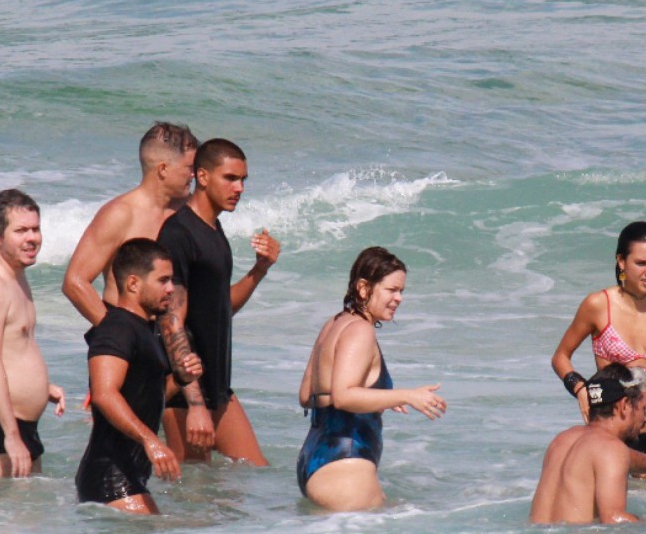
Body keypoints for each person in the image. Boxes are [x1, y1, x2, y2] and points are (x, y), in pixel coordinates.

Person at [157, 138, 280, 464]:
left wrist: (260, 269)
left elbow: (221, 307)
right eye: (230, 178)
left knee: (254, 475)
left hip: (219, 387)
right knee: (191, 504)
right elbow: (170, 321)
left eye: (243, 180)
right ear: (203, 175)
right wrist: (195, 404)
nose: (239, 188)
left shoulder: (213, 230)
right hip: (187, 392)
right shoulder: (178, 233)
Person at [296, 247, 446, 511]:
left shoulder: (333, 324)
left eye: (402, 291)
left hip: (314, 460)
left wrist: (379, 399)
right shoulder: (360, 331)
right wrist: (406, 395)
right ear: (364, 288)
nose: (399, 298)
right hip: (346, 468)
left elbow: (307, 395)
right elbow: (344, 396)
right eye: (391, 290)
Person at [550, 221, 646, 485]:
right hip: (611, 440)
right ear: (621, 261)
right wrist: (580, 389)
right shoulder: (598, 305)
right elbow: (560, 357)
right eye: (642, 263)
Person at [75, 239, 203, 514]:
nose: (171, 289)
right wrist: (151, 441)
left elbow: (147, 395)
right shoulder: (116, 329)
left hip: (128, 478)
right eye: (163, 280)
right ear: (133, 283)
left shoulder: (144, 329)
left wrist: (179, 379)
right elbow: (104, 394)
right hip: (110, 480)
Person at [0, 189, 65, 478]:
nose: (32, 238)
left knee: (29, 519)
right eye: (21, 231)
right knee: (5, 521)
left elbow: (15, 346)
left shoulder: (15, 274)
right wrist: (11, 435)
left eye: (36, 229)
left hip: (19, 425)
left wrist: (42, 387)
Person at [62, 122, 199, 327]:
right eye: (189, 168)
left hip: (175, 336)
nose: (194, 175)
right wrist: (117, 333)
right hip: (129, 328)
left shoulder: (189, 210)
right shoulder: (121, 214)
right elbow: (75, 282)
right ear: (163, 168)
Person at [530, 364, 646, 524]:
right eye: (643, 409)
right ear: (625, 406)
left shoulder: (562, 440)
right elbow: (613, 519)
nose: (645, 419)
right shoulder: (611, 448)